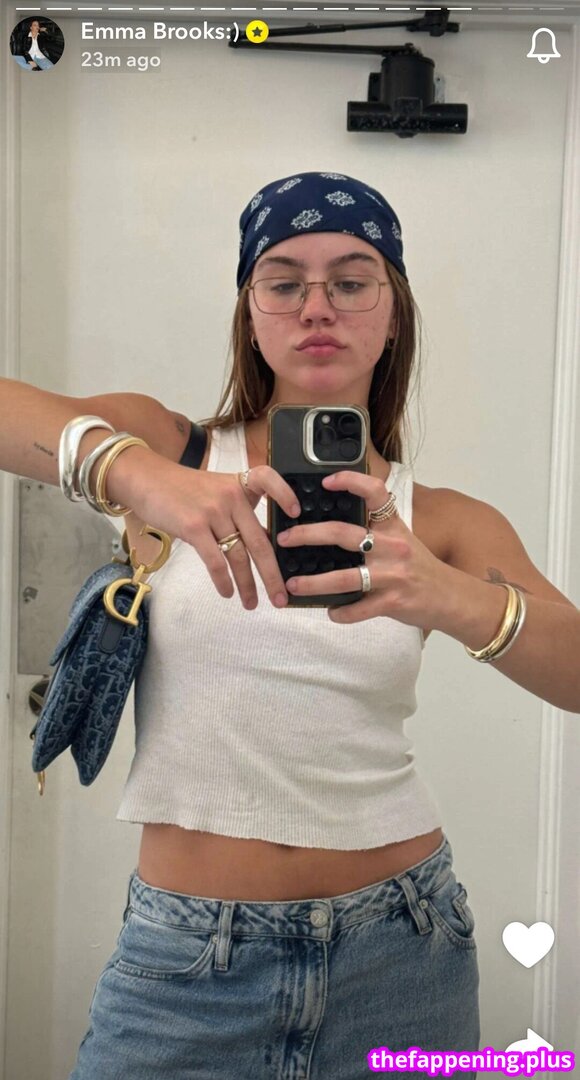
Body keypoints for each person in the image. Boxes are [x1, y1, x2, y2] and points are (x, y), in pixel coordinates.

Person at [2, 171, 578, 1079]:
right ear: (250, 312)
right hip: (185, 962)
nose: (318, 306)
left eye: (351, 280)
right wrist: (138, 476)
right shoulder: (174, 450)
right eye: (283, 281)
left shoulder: (444, 520)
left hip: (404, 948)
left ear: (394, 313)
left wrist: (448, 595)